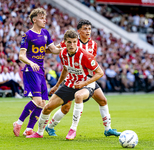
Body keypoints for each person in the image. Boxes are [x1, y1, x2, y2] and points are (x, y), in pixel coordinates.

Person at [45, 20, 121, 137]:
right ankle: (49, 127)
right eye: (85, 29)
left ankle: (108, 129)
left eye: (89, 29)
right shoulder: (72, 42)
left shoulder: (93, 44)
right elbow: (55, 50)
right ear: (79, 31)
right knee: (65, 108)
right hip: (73, 80)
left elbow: (92, 62)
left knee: (103, 100)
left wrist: (89, 79)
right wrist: (39, 50)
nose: (88, 31)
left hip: (88, 79)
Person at [26, 29, 104, 139]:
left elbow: (100, 72)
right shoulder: (63, 53)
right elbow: (65, 69)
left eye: (74, 42)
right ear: (64, 42)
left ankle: (73, 129)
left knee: (79, 96)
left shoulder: (85, 56)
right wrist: (57, 85)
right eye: (69, 42)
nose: (71, 45)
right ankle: (39, 133)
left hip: (86, 85)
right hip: (69, 84)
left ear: (77, 41)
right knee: (48, 107)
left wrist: (84, 83)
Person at [13, 8, 63, 137]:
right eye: (42, 18)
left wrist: (65, 47)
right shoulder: (27, 35)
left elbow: (53, 50)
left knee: (42, 103)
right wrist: (31, 62)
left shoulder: (45, 33)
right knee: (37, 99)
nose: (44, 20)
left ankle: (29, 129)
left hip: (40, 70)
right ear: (34, 20)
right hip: (31, 69)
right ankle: (18, 123)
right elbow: (21, 55)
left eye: (45, 17)